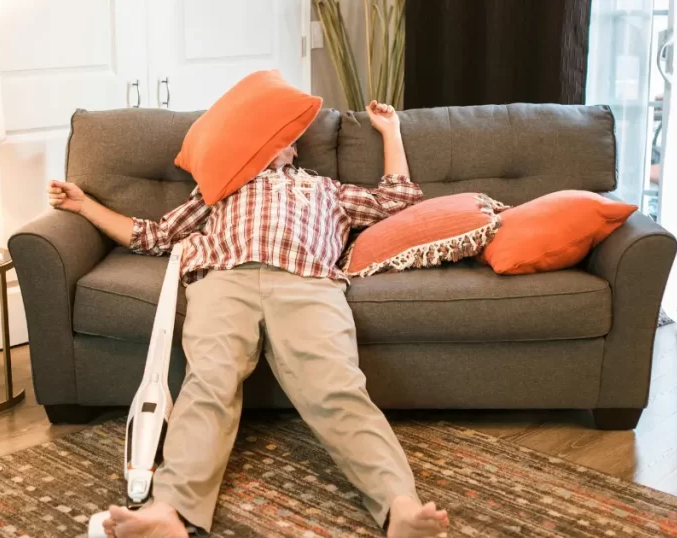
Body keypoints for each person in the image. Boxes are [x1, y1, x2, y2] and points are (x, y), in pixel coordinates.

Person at [48, 101, 449, 538]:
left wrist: (390, 130)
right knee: (208, 383)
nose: (272, 142)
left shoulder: (327, 189)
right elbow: (155, 235)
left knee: (337, 387)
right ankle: (168, 511)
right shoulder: (219, 187)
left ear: (294, 151)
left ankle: (400, 506)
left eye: (282, 138)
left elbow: (397, 201)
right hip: (225, 280)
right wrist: (84, 206)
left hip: (307, 283)